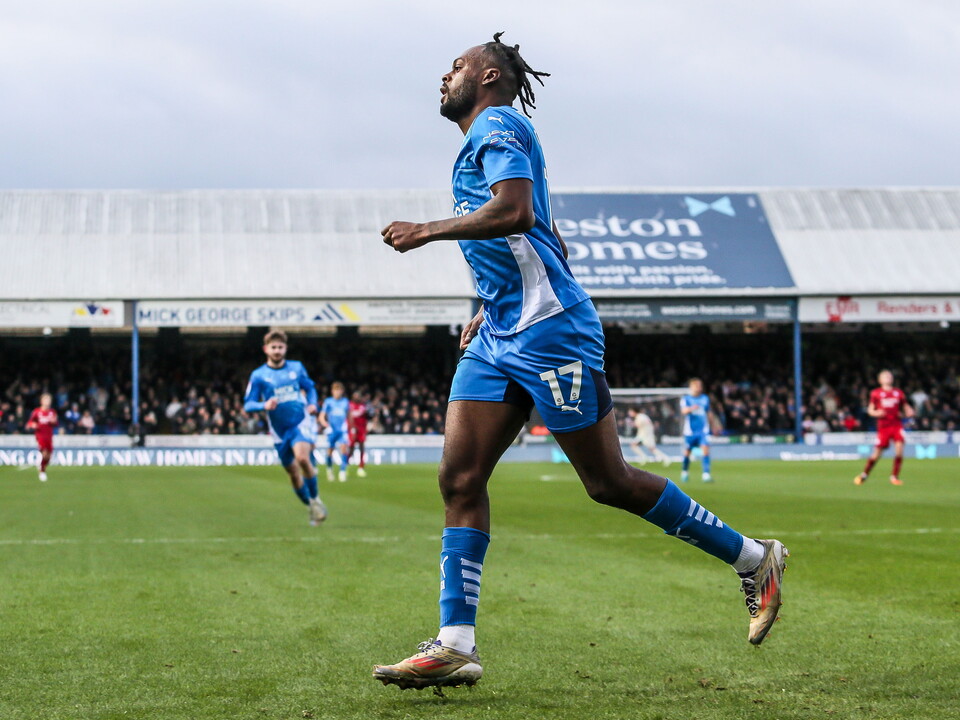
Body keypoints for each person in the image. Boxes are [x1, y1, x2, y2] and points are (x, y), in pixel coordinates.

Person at [373, 33, 789, 691]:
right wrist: (492, 301)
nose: (443, 76)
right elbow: (548, 235)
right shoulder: (486, 140)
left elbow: (516, 212)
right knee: (459, 477)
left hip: (550, 334)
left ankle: (754, 558)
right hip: (502, 332)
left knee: (609, 483)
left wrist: (425, 231)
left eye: (455, 67)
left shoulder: (500, 124)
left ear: (487, 75)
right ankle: (455, 644)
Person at [243, 329, 327, 525]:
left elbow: (310, 387)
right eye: (274, 347)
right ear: (266, 349)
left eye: (280, 347)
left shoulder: (296, 368)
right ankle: (310, 506)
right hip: (279, 431)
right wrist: (263, 405)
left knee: (302, 458)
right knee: (292, 472)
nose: (277, 351)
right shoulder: (259, 376)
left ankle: (315, 500)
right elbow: (248, 403)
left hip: (300, 421)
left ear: (286, 348)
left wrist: (313, 403)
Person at [855, 370, 914, 486]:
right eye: (885, 376)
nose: (888, 377)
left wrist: (909, 411)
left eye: (889, 376)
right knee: (877, 454)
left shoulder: (899, 393)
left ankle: (894, 477)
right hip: (883, 427)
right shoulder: (876, 393)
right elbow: (870, 410)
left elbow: (906, 407)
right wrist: (877, 413)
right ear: (880, 380)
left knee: (899, 449)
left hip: (896, 425)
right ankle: (864, 474)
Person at [681, 378, 713, 483]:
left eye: (700, 385)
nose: (699, 388)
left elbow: (708, 412)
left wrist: (713, 425)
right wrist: (691, 408)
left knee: (706, 450)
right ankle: (685, 472)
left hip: (703, 430)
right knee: (687, 452)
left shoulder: (705, 398)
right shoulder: (686, 399)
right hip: (690, 432)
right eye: (697, 385)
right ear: (691, 387)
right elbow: (684, 411)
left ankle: (706, 475)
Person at [319, 382, 350, 482]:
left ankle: (342, 472)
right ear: (332, 391)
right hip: (332, 430)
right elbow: (322, 415)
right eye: (335, 390)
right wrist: (325, 424)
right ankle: (329, 469)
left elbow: (349, 415)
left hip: (342, 430)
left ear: (342, 391)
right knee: (330, 451)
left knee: (344, 449)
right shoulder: (328, 402)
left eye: (339, 390)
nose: (337, 392)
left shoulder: (345, 402)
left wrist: (351, 427)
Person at [26, 393, 57, 481]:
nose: (48, 402)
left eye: (49, 400)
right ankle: (42, 472)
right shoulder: (37, 412)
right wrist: (33, 425)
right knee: (44, 453)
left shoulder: (52, 412)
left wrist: (54, 421)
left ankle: (41, 465)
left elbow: (56, 423)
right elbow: (29, 423)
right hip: (40, 436)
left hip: (49, 436)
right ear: (42, 401)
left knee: (48, 456)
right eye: (46, 400)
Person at [348, 390, 370, 478]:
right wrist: (351, 428)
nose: (357, 397)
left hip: (361, 430)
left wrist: (366, 430)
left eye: (358, 396)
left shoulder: (363, 406)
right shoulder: (349, 405)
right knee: (351, 449)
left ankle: (361, 467)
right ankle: (345, 466)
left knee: (362, 448)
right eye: (355, 396)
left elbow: (366, 418)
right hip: (352, 430)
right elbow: (349, 417)